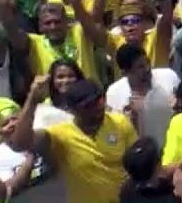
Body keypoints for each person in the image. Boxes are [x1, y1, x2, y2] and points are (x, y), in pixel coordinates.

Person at [11, 74, 137, 203]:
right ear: (72, 110)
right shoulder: (60, 135)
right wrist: (32, 99)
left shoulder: (119, 122)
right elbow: (19, 144)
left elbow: (139, 164)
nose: (97, 107)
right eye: (88, 105)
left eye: (98, 100)